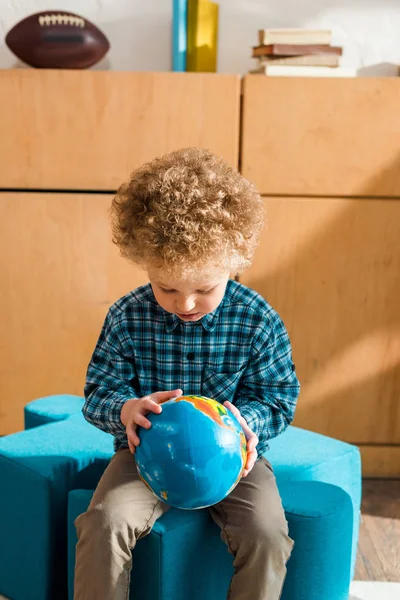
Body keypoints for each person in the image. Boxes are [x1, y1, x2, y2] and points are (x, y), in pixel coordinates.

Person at [74, 147, 300, 600]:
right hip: (146, 460)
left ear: (234, 264)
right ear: (145, 266)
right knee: (103, 521)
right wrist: (127, 410)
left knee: (269, 534)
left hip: (237, 461)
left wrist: (244, 423)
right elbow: (98, 391)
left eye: (205, 288)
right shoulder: (127, 316)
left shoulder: (257, 319)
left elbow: (278, 398)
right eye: (168, 287)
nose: (186, 303)